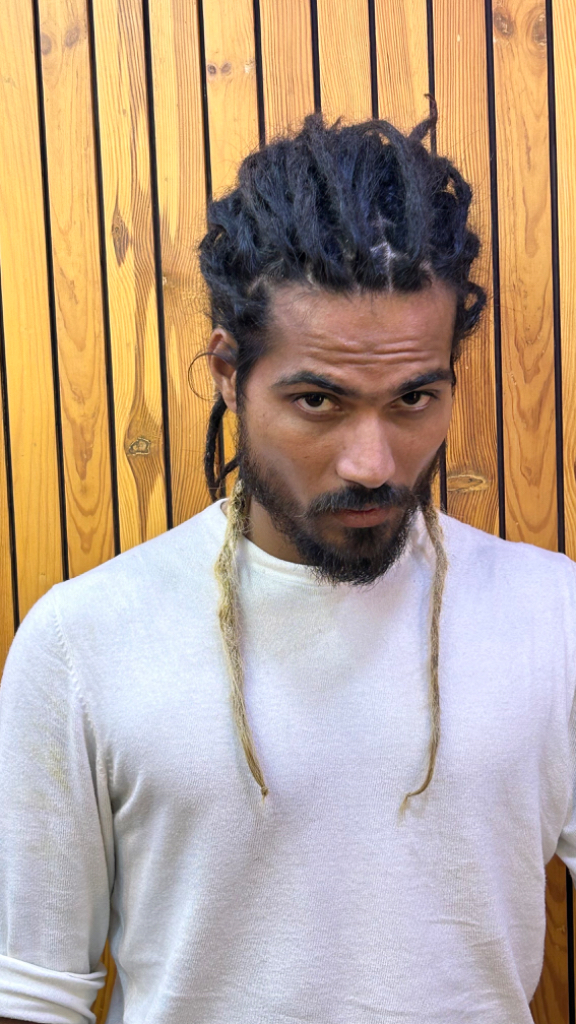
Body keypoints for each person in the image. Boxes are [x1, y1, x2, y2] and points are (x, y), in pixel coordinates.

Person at [0, 110, 575, 1024]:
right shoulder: (83, 642)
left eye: (414, 398)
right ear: (230, 373)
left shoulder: (556, 618)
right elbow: (33, 992)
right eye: (318, 399)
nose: (372, 462)